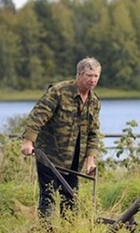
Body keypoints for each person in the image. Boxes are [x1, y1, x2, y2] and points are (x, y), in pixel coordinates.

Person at [21, 57, 102, 223]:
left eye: (96, 76)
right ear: (79, 74)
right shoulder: (59, 91)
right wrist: (28, 141)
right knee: (48, 196)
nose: (92, 80)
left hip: (74, 159)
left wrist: (90, 160)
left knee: (71, 197)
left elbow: (93, 132)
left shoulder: (94, 102)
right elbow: (38, 115)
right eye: (89, 75)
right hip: (50, 155)